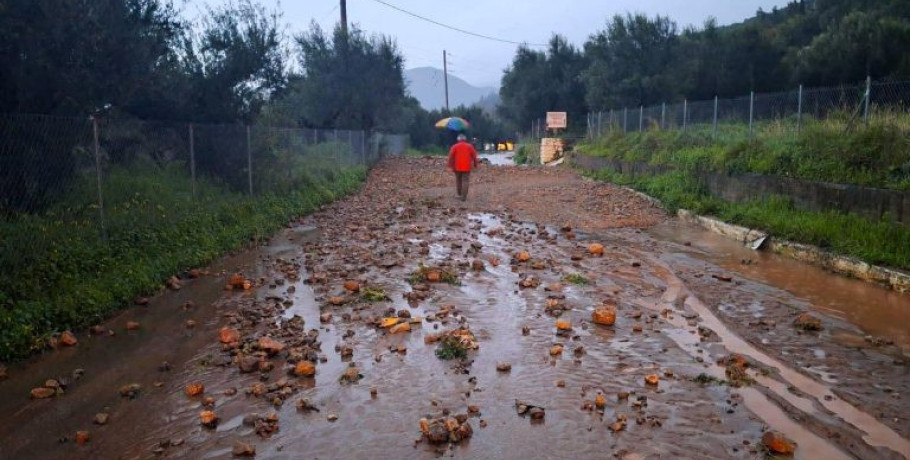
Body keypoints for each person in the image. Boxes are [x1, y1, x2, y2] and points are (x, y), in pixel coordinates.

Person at [447, 133, 478, 201]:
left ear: (458, 139)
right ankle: (464, 197)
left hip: (456, 166)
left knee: (458, 180)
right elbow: (474, 156)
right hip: (467, 166)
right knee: (465, 180)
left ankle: (459, 194)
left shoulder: (454, 146)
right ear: (465, 139)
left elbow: (450, 156)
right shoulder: (470, 146)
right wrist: (475, 164)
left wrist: (450, 165)